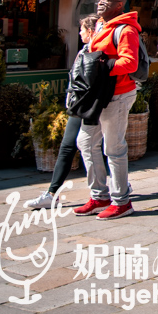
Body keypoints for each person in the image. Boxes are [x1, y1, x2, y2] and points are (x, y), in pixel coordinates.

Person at [74, 0, 141, 220]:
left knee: (113, 149)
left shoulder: (126, 30)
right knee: (85, 142)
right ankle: (99, 196)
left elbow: (130, 64)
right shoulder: (101, 25)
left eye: (106, 0)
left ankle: (122, 201)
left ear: (119, 4)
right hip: (97, 95)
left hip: (117, 94)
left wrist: (102, 67)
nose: (100, 3)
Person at [25, 17, 102, 210]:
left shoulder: (95, 51)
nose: (79, 33)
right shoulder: (85, 50)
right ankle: (53, 193)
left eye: (82, 30)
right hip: (79, 105)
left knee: (94, 148)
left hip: (88, 106)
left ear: (91, 31)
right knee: (71, 146)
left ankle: (113, 189)